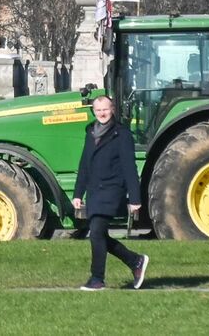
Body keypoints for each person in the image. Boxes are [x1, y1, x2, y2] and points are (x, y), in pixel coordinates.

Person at [72, 94, 148, 291]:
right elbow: (84, 165)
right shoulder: (90, 132)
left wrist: (135, 198)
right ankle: (135, 261)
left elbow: (129, 167)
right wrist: (78, 194)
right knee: (99, 235)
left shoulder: (122, 134)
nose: (102, 113)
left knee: (96, 232)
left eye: (105, 109)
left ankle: (97, 279)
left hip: (112, 189)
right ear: (94, 112)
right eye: (98, 110)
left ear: (112, 109)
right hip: (94, 191)